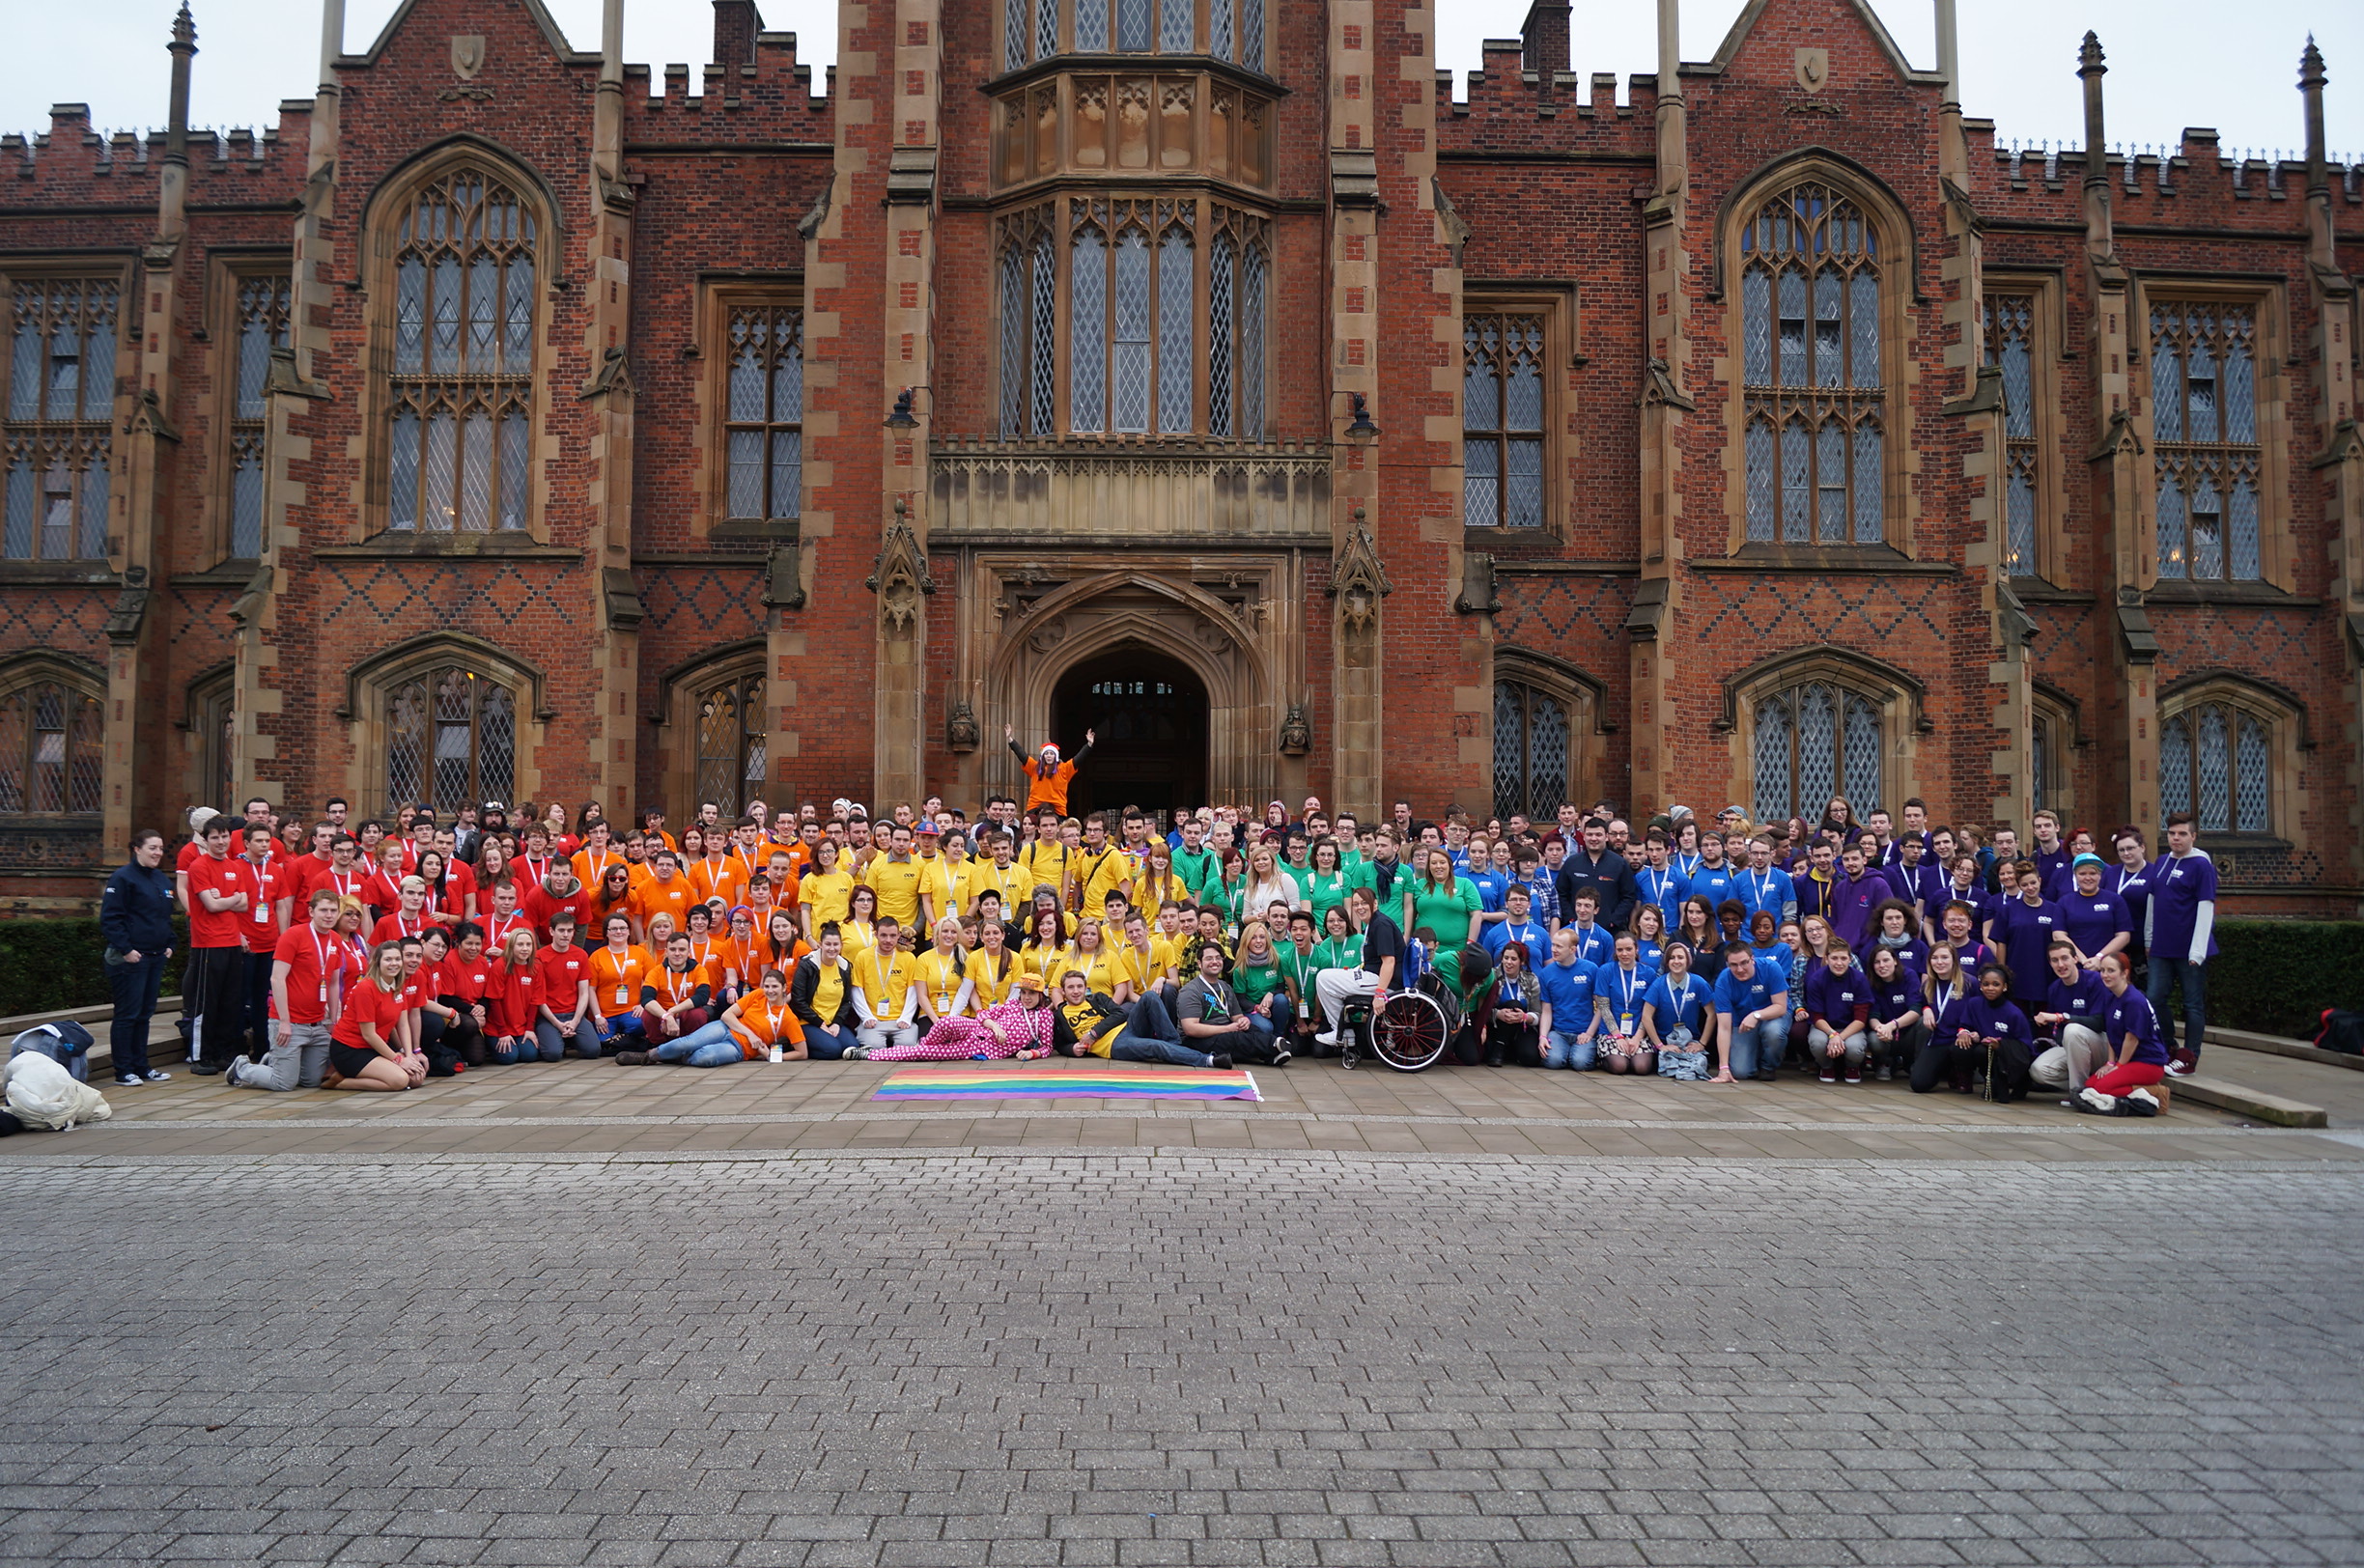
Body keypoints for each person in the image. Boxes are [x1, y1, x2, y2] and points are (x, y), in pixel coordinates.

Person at [225, 886, 345, 1091]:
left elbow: (333, 983)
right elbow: (277, 979)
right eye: (324, 910)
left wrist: (333, 1021)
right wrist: (284, 1021)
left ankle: (274, 1061)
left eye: (333, 910)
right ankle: (242, 1068)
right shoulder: (293, 935)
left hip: (317, 1025)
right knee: (283, 1083)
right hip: (292, 1023)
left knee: (311, 1081)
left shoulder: (335, 940)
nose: (329, 915)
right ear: (311, 912)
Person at [100, 827, 177, 1087]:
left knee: (145, 1014)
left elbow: (164, 917)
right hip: (130, 960)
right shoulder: (123, 878)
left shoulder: (161, 880)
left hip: (155, 956)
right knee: (127, 1015)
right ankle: (123, 1070)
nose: (158, 853)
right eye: (152, 848)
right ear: (137, 849)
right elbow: (111, 919)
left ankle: (141, 1066)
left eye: (160, 848)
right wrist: (126, 950)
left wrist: (170, 943)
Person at [853, 968, 1059, 1061]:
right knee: (948, 1021)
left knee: (923, 1054)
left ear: (1041, 995)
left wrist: (1031, 1053)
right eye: (1024, 992)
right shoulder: (1013, 1004)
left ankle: (870, 1054)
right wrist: (994, 1025)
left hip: (981, 1048)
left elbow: (1047, 1047)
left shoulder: (1044, 1017)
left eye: (1032, 993)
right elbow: (983, 1015)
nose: (1026, 997)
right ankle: (924, 1043)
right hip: (977, 1029)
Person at [2144, 812, 2216, 1077]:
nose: (2176, 838)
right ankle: (2170, 1047)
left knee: (2192, 1004)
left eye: (2182, 834)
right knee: (2154, 998)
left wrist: (2197, 950)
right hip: (2161, 947)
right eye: (2172, 833)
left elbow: (2206, 906)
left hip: (2189, 949)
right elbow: (2153, 901)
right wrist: (2148, 939)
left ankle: (2190, 1057)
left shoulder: (2201, 865)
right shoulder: (2161, 861)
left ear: (2193, 836)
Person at [183, 813, 252, 1075]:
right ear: (205, 839)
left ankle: (223, 1053)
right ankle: (200, 1056)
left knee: (229, 1001)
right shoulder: (199, 867)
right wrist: (230, 899)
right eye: (215, 837)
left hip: (231, 941)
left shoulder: (235, 867)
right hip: (207, 944)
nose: (221, 841)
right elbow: (211, 906)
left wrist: (226, 898)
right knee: (205, 1004)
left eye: (225, 836)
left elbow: (244, 903)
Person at [2072, 951, 2170, 1115]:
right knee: (2090, 1086)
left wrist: (2119, 1066)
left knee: (2102, 1088)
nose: (2105, 975)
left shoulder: (2134, 1000)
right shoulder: (2111, 996)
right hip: (2127, 1060)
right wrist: (2110, 1063)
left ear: (2125, 973)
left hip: (2148, 1062)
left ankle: (2155, 1092)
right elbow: (2112, 1032)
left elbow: (2132, 1039)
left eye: (2111, 971)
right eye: (2102, 970)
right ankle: (2131, 1091)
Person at [652, 966, 802, 1066]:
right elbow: (726, 1015)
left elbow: (802, 1052)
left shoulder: (788, 1018)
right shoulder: (758, 995)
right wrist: (750, 1034)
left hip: (739, 1048)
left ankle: (673, 1058)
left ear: (784, 988)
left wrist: (771, 1055)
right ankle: (649, 1056)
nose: (769, 991)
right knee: (686, 1043)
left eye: (775, 986)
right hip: (725, 1028)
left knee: (706, 1057)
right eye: (767, 986)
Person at [1313, 886, 1403, 1048]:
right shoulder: (1372, 924)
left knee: (1323, 978)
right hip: (1372, 975)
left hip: (1386, 982)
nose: (1359, 907)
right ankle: (1344, 1030)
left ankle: (1340, 1032)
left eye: (1364, 903)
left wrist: (1380, 994)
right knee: (1330, 979)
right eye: (1355, 904)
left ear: (1375, 903)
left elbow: (1389, 962)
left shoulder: (1381, 924)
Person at [1173, 941, 1289, 1066]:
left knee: (1254, 1029)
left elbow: (1237, 1016)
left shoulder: (1225, 987)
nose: (1214, 961)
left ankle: (1273, 1055)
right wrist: (1227, 1029)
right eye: (1209, 958)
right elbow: (1191, 1029)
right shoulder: (1191, 990)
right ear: (1199, 964)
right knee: (1234, 1039)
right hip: (1197, 1040)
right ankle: (1276, 1045)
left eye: (1218, 958)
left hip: (1225, 1030)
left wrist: (1242, 1021)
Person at [324, 940, 413, 1092]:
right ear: (378, 962)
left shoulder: (398, 986)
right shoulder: (366, 988)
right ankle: (341, 1081)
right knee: (400, 1080)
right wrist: (397, 1059)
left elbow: (403, 1025)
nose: (394, 964)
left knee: (416, 1078)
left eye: (397, 959)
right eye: (388, 959)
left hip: (375, 1048)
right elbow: (369, 1034)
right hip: (351, 1049)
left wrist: (409, 1056)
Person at [2032, 936, 2113, 1094]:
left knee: (2073, 1029)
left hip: (2103, 1045)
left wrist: (2062, 1017)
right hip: (2071, 1045)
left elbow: (2099, 1023)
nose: (2060, 965)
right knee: (2038, 1070)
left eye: (2064, 958)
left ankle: (2078, 1092)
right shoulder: (2054, 989)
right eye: (2055, 960)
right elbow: (2058, 1031)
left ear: (2076, 959)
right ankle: (2091, 1084)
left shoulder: (2095, 981)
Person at [1710, 942, 1790, 1084]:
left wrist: (1755, 1015)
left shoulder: (1771, 968)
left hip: (1773, 1016)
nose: (1740, 969)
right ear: (1727, 964)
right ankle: (1754, 1055)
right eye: (1733, 965)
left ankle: (1768, 1066)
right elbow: (1724, 1027)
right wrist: (1723, 1068)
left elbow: (1780, 1007)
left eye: (1744, 963)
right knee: (1741, 1072)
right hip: (1742, 1023)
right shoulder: (1723, 981)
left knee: (1774, 1032)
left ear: (1752, 959)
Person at [783, 925, 862, 1060]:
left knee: (851, 1047)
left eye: (836, 944)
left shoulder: (845, 966)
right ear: (820, 945)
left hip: (832, 1022)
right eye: (828, 944)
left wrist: (837, 1023)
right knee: (833, 1051)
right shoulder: (807, 965)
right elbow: (798, 1001)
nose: (832, 948)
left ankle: (824, 1041)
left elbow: (846, 1000)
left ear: (841, 945)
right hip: (808, 1022)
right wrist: (820, 1024)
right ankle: (799, 1049)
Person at [1803, 941, 1874, 1083]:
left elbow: (1860, 1019)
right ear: (1827, 959)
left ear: (1850, 959)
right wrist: (1832, 1034)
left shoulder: (1859, 980)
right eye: (1834, 958)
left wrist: (1839, 1038)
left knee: (1854, 1048)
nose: (1839, 963)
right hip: (1825, 1027)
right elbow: (1817, 1017)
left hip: (1851, 1027)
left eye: (1843, 958)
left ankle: (1853, 1067)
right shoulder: (1817, 979)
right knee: (1817, 1043)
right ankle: (1827, 1067)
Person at [1639, 938, 1713, 1070]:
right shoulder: (1658, 985)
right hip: (1665, 1041)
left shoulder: (1698, 983)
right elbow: (1646, 1017)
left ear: (1688, 961)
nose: (1676, 961)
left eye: (1680, 957)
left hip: (1690, 1043)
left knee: (1698, 1065)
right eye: (1672, 958)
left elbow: (1712, 1014)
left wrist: (1702, 1043)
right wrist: (1660, 1045)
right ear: (1667, 962)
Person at [1475, 939, 1542, 1069]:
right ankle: (1499, 1048)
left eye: (1513, 959)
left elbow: (1538, 1013)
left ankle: (1506, 1049)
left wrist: (1524, 1017)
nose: (1508, 963)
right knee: (1512, 1004)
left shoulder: (1531, 979)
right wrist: (1497, 1014)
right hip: (1496, 1026)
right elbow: (1480, 1008)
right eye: (1506, 958)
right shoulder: (1492, 976)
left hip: (1522, 1026)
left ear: (1522, 962)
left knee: (1530, 1059)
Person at [1862, 945, 1922, 1083]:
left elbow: (1915, 1011)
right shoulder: (1871, 982)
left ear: (1895, 961)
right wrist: (1881, 1028)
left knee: (1924, 1022)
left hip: (1907, 1032)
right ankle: (1885, 1062)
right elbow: (1873, 1017)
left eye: (1886, 960)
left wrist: (1892, 1025)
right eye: (1877, 962)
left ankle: (1915, 1063)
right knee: (1874, 1039)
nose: (1882, 965)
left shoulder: (1909, 976)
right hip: (1885, 1036)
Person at [1006, 723, 1096, 815]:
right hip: (1035, 808)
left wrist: (1089, 745)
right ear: (1043, 756)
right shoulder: (1035, 767)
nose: (1049, 756)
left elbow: (1078, 759)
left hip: (1057, 810)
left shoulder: (1064, 769)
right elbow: (1022, 755)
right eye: (1046, 753)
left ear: (1056, 756)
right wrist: (1010, 740)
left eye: (1051, 753)